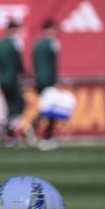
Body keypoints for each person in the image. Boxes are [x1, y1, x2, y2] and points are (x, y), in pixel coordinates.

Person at [29, 19, 68, 150]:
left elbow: (34, 64)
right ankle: (47, 136)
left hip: (39, 81)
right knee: (53, 110)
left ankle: (34, 128)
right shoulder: (52, 43)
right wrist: (56, 82)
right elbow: (53, 65)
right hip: (49, 81)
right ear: (49, 29)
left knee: (46, 109)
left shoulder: (36, 44)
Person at [0, 19, 27, 146]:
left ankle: (8, 133)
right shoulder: (15, 42)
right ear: (14, 29)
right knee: (19, 105)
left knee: (10, 106)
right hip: (13, 78)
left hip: (2, 79)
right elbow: (18, 62)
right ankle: (7, 128)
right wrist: (25, 75)